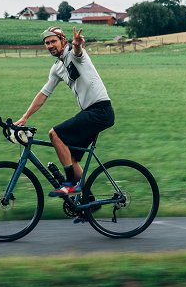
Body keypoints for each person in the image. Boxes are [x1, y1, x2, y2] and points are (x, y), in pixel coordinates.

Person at [16, 26, 115, 197]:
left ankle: (69, 184)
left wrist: (77, 44)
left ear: (63, 41)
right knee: (72, 159)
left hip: (100, 110)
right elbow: (44, 94)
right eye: (47, 43)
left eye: (53, 41)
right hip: (90, 113)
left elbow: (78, 52)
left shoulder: (74, 55)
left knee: (55, 135)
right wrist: (25, 116)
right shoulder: (57, 68)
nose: (50, 45)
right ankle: (88, 203)